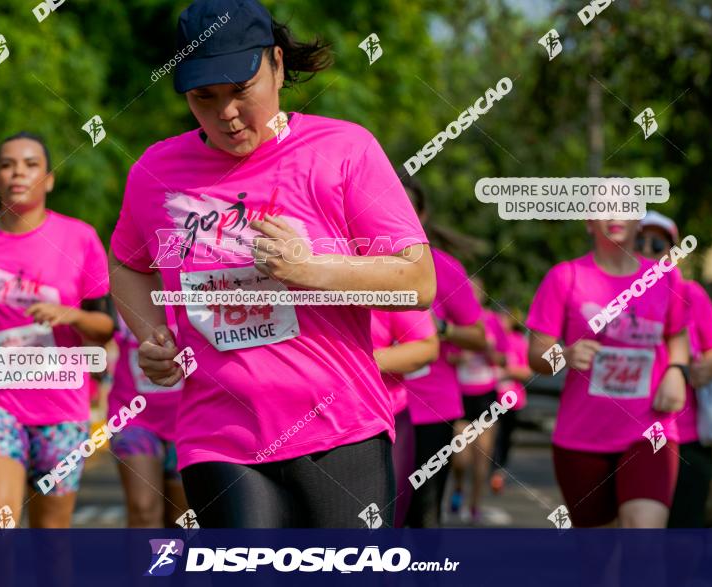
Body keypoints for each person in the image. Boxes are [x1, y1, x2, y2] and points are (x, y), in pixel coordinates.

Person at [109, 0, 435, 528]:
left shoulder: (344, 150)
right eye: (203, 98)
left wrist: (313, 270)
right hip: (217, 436)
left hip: (340, 429)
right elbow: (126, 263)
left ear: (278, 66)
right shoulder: (156, 172)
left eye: (241, 90)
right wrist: (152, 335)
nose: (227, 114)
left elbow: (417, 281)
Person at [0, 132, 114, 528]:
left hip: (61, 408)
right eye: (7, 165)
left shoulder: (80, 238)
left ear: (49, 179)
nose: (17, 173)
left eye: (30, 164)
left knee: (51, 541)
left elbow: (104, 326)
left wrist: (69, 316)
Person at [527, 206, 689, 528]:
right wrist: (565, 356)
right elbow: (535, 355)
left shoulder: (665, 277)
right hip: (582, 436)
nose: (614, 215)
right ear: (589, 222)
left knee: (643, 534)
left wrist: (677, 371)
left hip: (649, 428)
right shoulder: (565, 277)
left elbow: (677, 337)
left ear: (638, 222)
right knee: (598, 560)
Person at [399, 177, 487, 528]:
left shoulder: (445, 268)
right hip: (371, 409)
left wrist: (441, 329)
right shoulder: (357, 262)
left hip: (431, 410)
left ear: (422, 215)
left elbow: (480, 337)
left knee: (424, 514)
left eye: (407, 207)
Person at [636, 211, 712, 527]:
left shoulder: (690, 293)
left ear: (672, 254)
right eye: (638, 242)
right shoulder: (612, 299)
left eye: (657, 244)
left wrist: (706, 368)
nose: (647, 250)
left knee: (683, 536)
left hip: (686, 438)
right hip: (628, 438)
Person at [109, 312, 188, 527]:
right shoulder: (121, 289)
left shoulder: (190, 288)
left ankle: (171, 561)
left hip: (186, 420)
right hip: (133, 417)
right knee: (143, 509)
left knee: (181, 519)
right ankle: (144, 562)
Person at [448, 276, 509, 523]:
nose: (472, 295)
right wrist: (458, 358)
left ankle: (474, 506)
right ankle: (458, 488)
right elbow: (442, 356)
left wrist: (490, 353)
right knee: (460, 456)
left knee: (482, 456)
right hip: (461, 395)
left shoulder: (492, 321)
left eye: (476, 291)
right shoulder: (454, 322)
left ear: (483, 295)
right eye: (467, 291)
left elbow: (506, 359)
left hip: (486, 395)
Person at [370, 310, 438, 527]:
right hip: (289, 423)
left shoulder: (386, 277)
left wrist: (353, 364)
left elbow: (427, 345)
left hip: (384, 417)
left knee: (383, 526)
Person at [490, 309, 532, 494]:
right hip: (490, 398)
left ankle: (498, 472)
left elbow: (527, 372)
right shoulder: (490, 340)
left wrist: (507, 371)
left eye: (505, 319)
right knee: (489, 439)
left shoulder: (518, 341)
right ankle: (487, 470)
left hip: (512, 400)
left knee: (504, 438)